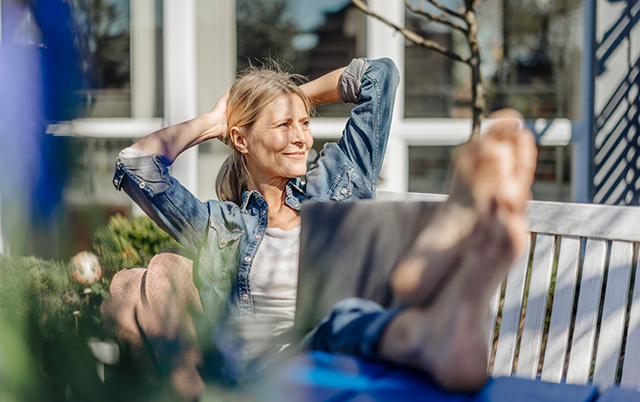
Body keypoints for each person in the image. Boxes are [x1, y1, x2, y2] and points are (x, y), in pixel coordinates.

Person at [112, 57, 536, 394]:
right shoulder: (219, 225)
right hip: (266, 375)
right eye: (284, 126)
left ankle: (437, 312)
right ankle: (435, 311)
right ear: (241, 140)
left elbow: (379, 77)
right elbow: (137, 165)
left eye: (306, 123)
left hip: (354, 358)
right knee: (340, 320)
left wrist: (292, 99)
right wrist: (213, 122)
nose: (303, 138)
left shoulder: (335, 185)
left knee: (348, 314)